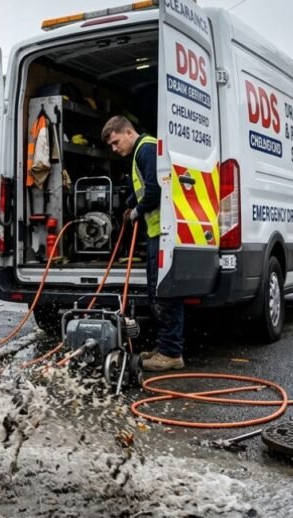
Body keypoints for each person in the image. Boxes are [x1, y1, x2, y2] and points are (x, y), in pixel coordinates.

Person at [101, 115, 184, 371]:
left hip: (164, 233)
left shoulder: (146, 149)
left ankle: (171, 353)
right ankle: (164, 347)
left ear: (128, 132)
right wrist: (129, 205)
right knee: (155, 293)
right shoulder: (141, 152)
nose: (115, 149)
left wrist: (137, 211)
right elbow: (142, 190)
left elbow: (154, 191)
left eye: (116, 142)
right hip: (156, 233)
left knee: (164, 294)